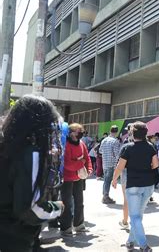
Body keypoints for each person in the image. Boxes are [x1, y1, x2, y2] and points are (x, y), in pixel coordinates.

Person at [0, 95, 64, 251]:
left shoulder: (5, 144)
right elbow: (28, 210)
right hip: (15, 238)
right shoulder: (29, 153)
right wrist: (57, 208)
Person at [112, 122, 159, 252]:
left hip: (133, 186)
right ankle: (130, 241)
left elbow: (120, 167)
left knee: (135, 217)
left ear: (132, 133)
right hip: (148, 185)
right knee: (138, 215)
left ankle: (144, 245)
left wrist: (114, 179)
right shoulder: (151, 147)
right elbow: (156, 164)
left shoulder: (127, 148)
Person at [60, 123, 93, 236]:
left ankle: (79, 225)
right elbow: (67, 164)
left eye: (81, 131)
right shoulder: (66, 145)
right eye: (78, 131)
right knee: (66, 203)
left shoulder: (82, 143)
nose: (81, 133)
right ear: (71, 133)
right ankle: (65, 227)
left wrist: (89, 168)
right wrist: (81, 163)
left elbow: (87, 157)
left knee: (79, 202)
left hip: (79, 178)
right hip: (67, 178)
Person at [100, 126, 121, 204]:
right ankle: (106, 196)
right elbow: (117, 154)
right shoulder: (115, 141)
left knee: (106, 180)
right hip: (111, 163)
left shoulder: (104, 140)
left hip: (104, 163)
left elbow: (100, 151)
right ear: (116, 132)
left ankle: (104, 195)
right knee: (108, 180)